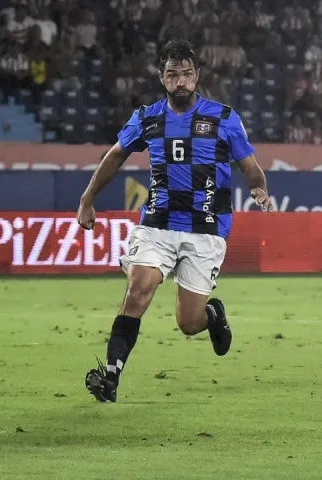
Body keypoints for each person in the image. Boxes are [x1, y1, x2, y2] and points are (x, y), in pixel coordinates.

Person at [76, 39, 275, 403]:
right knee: (137, 291)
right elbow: (115, 156)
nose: (180, 81)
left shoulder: (224, 118)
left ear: (197, 77)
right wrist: (88, 198)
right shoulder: (146, 117)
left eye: (186, 74)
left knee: (188, 323)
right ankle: (112, 376)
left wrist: (259, 189)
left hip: (207, 228)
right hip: (157, 224)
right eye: (172, 75)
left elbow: (250, 167)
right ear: (162, 77)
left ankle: (212, 314)